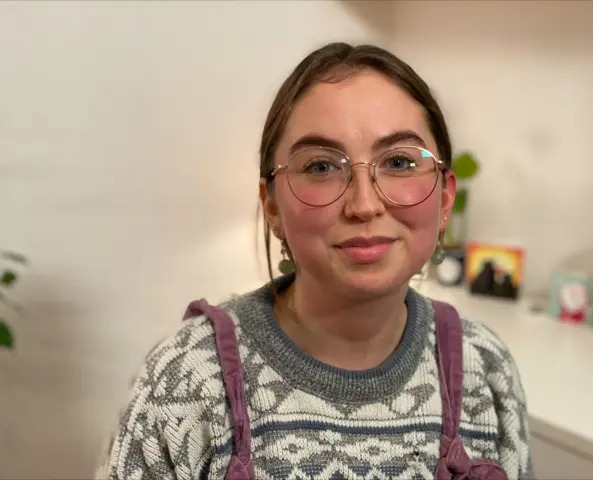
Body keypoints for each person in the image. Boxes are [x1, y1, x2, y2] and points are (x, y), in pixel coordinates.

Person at [96, 42, 534, 479]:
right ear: (271, 206)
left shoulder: (487, 369)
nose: (364, 204)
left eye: (399, 161)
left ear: (445, 198)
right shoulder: (185, 382)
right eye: (323, 167)